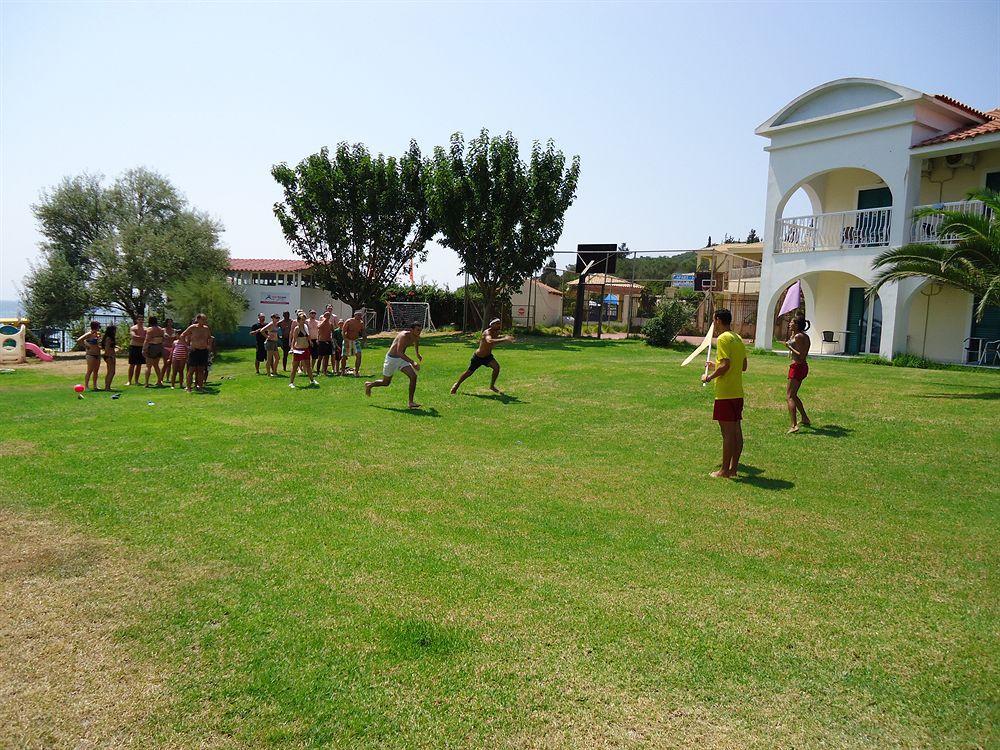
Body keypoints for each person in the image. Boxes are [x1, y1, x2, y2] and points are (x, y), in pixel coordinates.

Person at [700, 309, 747, 479]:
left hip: (725, 393)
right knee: (736, 432)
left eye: (714, 320)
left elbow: (726, 365)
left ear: (718, 320)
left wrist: (709, 377)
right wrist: (716, 364)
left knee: (727, 434)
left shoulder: (723, 338)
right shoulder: (738, 338)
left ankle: (724, 471)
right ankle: (734, 468)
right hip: (737, 393)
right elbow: (742, 366)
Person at [365, 323, 423, 409]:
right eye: (418, 330)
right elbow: (399, 352)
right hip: (392, 359)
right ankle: (369, 385)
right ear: (411, 330)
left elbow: (416, 341)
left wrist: (417, 353)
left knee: (413, 376)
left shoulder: (416, 335)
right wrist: (413, 362)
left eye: (420, 330)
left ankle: (411, 402)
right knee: (386, 383)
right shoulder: (403, 336)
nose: (419, 332)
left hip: (401, 359)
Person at [451, 318, 515, 394]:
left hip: (488, 357)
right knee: (469, 372)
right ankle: (456, 385)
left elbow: (492, 343)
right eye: (497, 323)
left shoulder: (496, 332)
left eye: (499, 323)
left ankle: (492, 386)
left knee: (496, 368)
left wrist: (504, 339)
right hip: (478, 357)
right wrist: (504, 339)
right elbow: (489, 341)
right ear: (492, 324)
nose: (499, 325)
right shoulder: (487, 332)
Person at [784, 315, 812, 433]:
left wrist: (789, 346)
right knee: (794, 395)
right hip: (801, 367)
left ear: (796, 325)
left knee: (789, 396)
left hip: (797, 367)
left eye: (791, 322)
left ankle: (794, 425)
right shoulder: (802, 335)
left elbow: (800, 355)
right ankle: (805, 418)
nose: (789, 324)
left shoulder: (799, 336)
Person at [180, 314, 212, 392]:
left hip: (203, 351)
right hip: (194, 350)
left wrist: (209, 345)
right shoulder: (193, 327)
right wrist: (187, 346)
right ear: (198, 319)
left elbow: (209, 338)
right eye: (203, 319)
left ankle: (199, 386)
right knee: (191, 369)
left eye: (205, 320)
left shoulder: (206, 328)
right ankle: (188, 387)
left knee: (201, 370)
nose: (204, 321)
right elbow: (182, 336)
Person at [288, 311, 318, 388]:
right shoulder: (296, 329)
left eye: (304, 319)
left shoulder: (305, 327)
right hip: (298, 349)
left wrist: (310, 341)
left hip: (306, 349)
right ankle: (291, 382)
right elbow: (294, 340)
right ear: (298, 320)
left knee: (308, 366)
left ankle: (312, 380)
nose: (303, 321)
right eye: (302, 319)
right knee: (295, 367)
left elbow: (308, 336)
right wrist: (292, 348)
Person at [75, 320, 102, 391]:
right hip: (90, 355)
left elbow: (99, 343)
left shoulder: (98, 334)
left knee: (96, 371)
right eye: (98, 326)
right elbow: (79, 340)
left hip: (98, 354)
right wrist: (85, 346)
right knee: (90, 370)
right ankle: (86, 386)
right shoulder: (89, 334)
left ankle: (95, 385)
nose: (99, 327)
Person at [142, 316, 165, 387]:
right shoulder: (161, 329)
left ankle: (146, 383)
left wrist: (144, 349)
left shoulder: (150, 330)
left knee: (148, 366)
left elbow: (147, 340)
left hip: (152, 347)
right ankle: (159, 381)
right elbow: (163, 339)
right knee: (156, 365)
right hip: (159, 347)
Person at [342, 311, 365, 376]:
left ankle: (356, 371)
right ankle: (343, 371)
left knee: (359, 356)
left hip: (356, 341)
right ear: (355, 315)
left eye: (360, 315)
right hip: (347, 340)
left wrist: (364, 340)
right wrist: (345, 340)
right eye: (358, 315)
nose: (360, 317)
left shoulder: (361, 323)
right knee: (344, 356)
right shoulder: (349, 321)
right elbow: (343, 331)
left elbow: (363, 331)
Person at [126, 316, 146, 386]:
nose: (141, 321)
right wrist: (143, 338)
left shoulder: (145, 329)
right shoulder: (133, 328)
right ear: (137, 320)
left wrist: (140, 338)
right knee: (132, 364)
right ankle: (129, 381)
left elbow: (147, 338)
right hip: (134, 347)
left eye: (142, 320)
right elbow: (134, 337)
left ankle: (136, 381)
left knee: (139, 365)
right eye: (139, 320)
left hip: (141, 347)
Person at [316, 311, 334, 375]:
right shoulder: (321, 322)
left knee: (327, 357)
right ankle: (318, 371)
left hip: (328, 341)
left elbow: (333, 331)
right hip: (322, 341)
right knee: (320, 357)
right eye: (326, 315)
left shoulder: (330, 324)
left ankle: (325, 371)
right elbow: (319, 327)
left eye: (329, 315)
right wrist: (324, 320)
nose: (328, 317)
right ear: (324, 316)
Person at [101, 324, 117, 391]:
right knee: (111, 372)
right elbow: (107, 348)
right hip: (109, 356)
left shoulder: (109, 338)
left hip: (111, 355)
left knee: (110, 372)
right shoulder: (108, 338)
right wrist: (111, 356)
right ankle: (107, 387)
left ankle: (108, 386)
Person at [162, 319, 177, 384]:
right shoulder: (163, 330)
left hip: (172, 348)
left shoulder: (175, 330)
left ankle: (168, 378)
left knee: (170, 363)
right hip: (165, 348)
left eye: (171, 322)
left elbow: (176, 339)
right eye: (168, 322)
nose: (170, 323)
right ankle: (161, 378)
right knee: (165, 363)